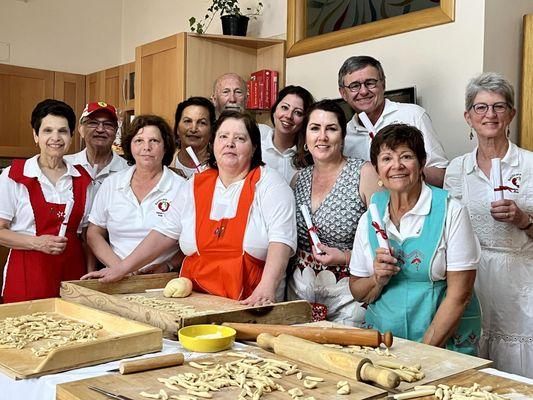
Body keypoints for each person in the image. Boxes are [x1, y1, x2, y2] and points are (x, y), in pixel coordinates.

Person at [82, 110, 296, 307]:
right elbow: (164, 233)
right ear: (213, 144)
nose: (230, 144)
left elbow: (281, 241)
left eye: (240, 138)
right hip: (196, 301)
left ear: (254, 147)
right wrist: (121, 269)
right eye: (223, 137)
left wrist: (267, 288)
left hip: (251, 301)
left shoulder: (270, 184)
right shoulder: (194, 185)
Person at [349, 123, 481, 355]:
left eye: (406, 157)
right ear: (378, 170)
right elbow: (358, 291)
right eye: (386, 158)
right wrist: (377, 279)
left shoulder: (452, 211)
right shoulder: (371, 217)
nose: (396, 166)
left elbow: (460, 294)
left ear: (421, 163)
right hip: (384, 343)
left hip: (440, 344)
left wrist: (423, 354)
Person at [444, 72, 533, 376]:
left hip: (520, 282)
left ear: (511, 113)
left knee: (516, 370)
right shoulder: (457, 169)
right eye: (481, 107)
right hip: (472, 279)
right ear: (468, 117)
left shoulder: (530, 165)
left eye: (498, 106)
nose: (490, 114)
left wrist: (524, 219)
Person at [287, 100, 380, 325]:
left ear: (342, 136)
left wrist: (345, 257)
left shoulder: (364, 172)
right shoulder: (298, 178)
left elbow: (385, 237)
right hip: (300, 294)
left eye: (331, 128)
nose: (322, 136)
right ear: (305, 137)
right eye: (315, 128)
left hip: (349, 295)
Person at [0, 99, 92, 303]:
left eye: (63, 131)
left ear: (71, 136)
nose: (55, 138)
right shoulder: (13, 176)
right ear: (36, 135)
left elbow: (87, 237)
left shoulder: (83, 179)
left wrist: (89, 283)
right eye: (47, 130)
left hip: (72, 276)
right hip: (27, 273)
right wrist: (36, 243)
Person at [87, 114, 185, 275]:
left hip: (162, 279)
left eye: (154, 141)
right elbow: (93, 232)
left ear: (165, 146)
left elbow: (193, 241)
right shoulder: (112, 183)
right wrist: (120, 268)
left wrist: (168, 265)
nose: (146, 147)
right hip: (116, 278)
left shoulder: (181, 187)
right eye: (139, 141)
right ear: (130, 146)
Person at [338, 56, 448, 187]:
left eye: (370, 83)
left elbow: (441, 175)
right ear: (343, 93)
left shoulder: (414, 115)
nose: (363, 91)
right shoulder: (343, 135)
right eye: (354, 86)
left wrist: (405, 171)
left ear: (383, 84)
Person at [64, 101, 128, 190]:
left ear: (116, 131)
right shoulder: (65, 166)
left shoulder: (128, 171)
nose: (100, 129)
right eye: (93, 123)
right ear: (81, 130)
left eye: (108, 124)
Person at [261, 86, 314, 183]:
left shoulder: (311, 157)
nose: (289, 116)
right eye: (285, 108)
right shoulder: (256, 151)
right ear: (274, 110)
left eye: (298, 113)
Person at [171, 97, 216, 178]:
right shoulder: (163, 165)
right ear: (177, 128)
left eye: (202, 123)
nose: (193, 129)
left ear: (211, 130)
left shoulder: (220, 168)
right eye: (187, 121)